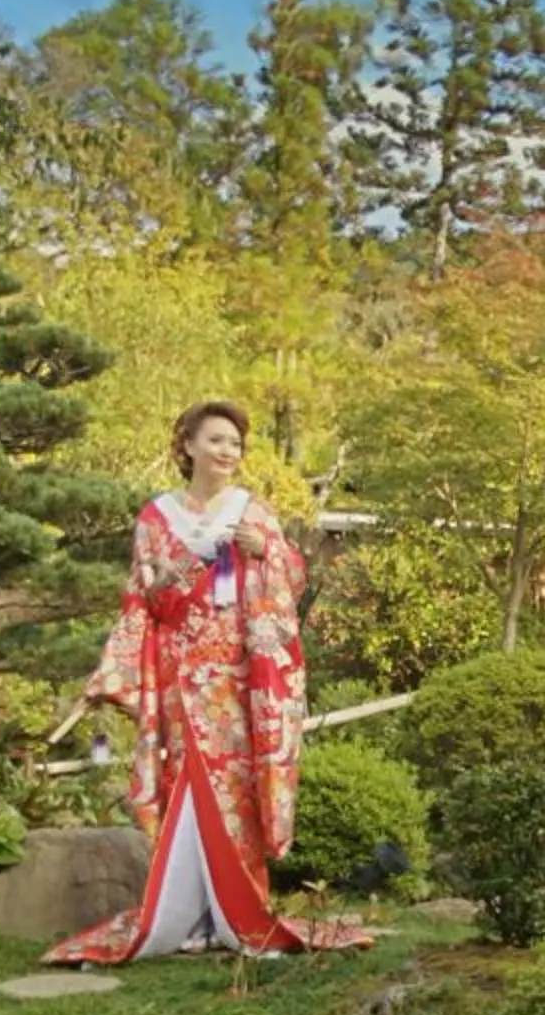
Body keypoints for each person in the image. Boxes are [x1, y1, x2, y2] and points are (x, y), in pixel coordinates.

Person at [46, 401, 373, 966]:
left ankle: (239, 916)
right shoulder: (156, 517)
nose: (228, 452)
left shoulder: (255, 512)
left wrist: (264, 550)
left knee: (235, 793)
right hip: (179, 667)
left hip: (238, 674)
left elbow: (291, 577)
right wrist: (169, 576)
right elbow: (142, 597)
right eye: (217, 440)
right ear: (187, 445)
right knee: (185, 784)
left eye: (235, 445)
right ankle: (182, 917)